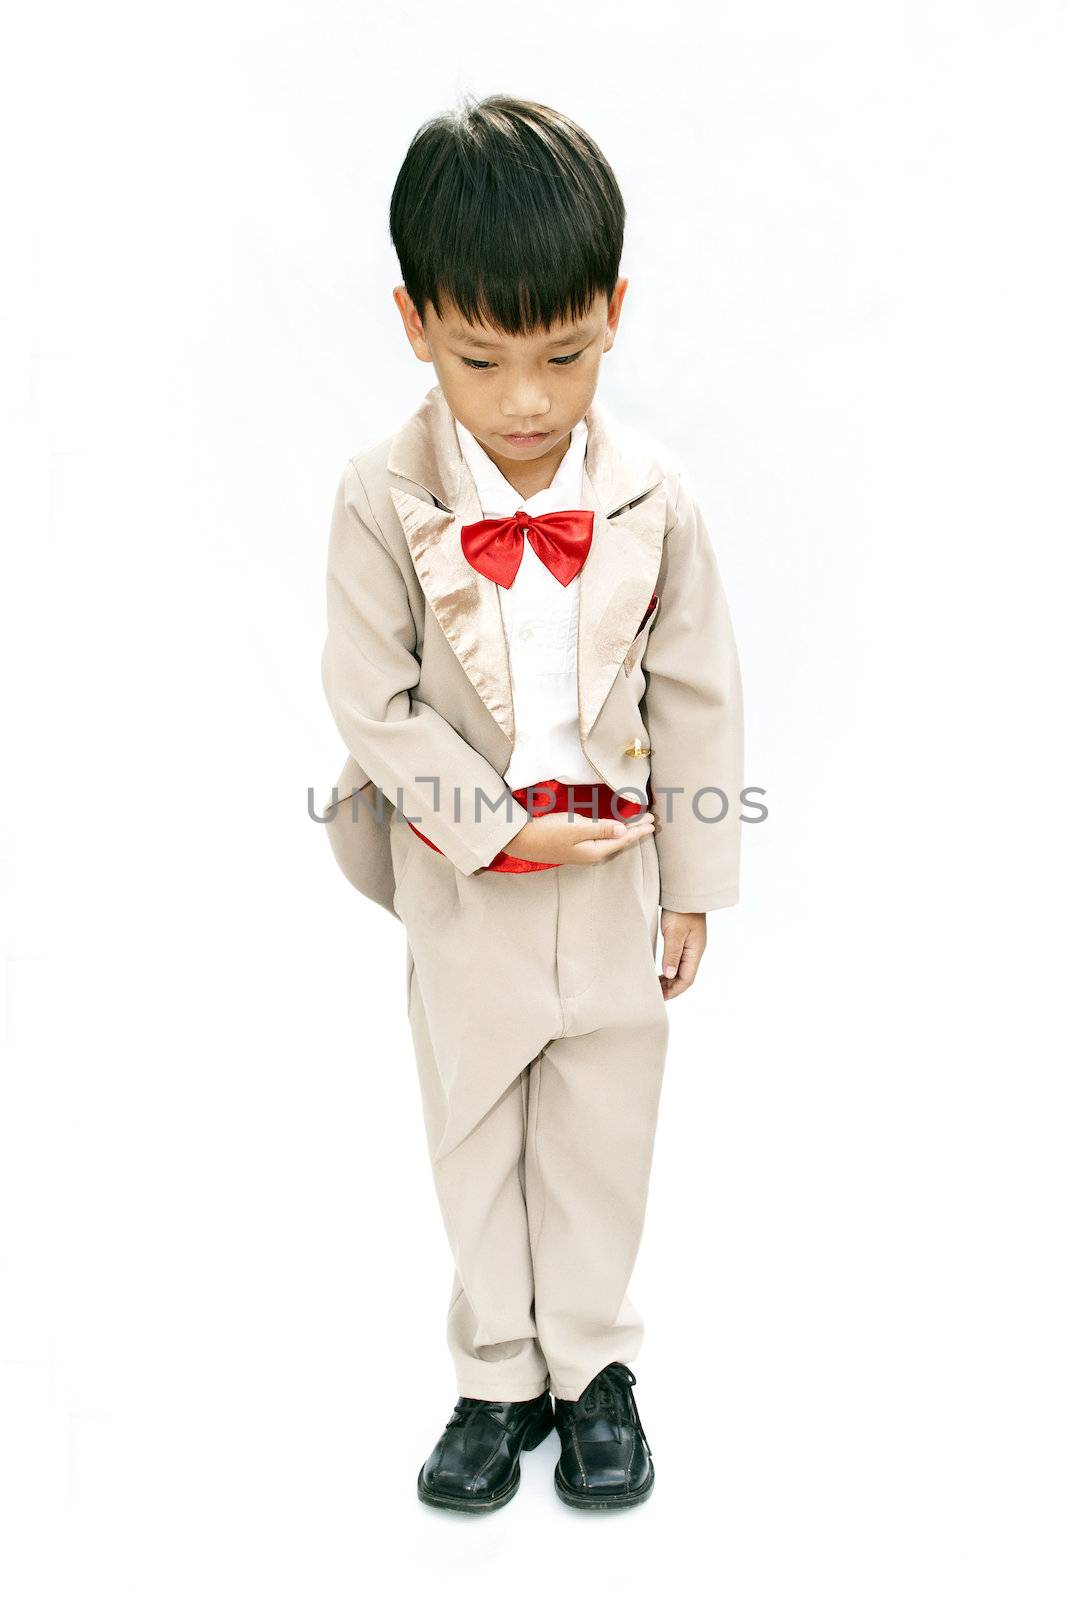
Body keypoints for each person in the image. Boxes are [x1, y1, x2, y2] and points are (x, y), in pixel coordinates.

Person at [320, 92, 744, 1512]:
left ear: (614, 313)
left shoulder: (657, 496)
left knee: (605, 1127)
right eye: (479, 357)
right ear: (414, 324)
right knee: (475, 1126)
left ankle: (595, 1367)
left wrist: (692, 882)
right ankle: (495, 1374)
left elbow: (696, 696)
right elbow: (369, 700)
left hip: (615, 870)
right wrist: (494, 830)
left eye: (562, 356)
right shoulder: (381, 497)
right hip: (469, 882)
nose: (522, 401)